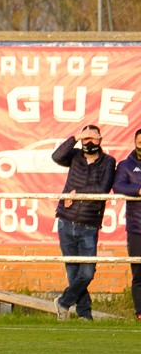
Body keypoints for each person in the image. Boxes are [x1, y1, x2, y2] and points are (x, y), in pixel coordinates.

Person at [52, 125, 116, 321]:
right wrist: (76, 136)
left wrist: (77, 193)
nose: (89, 142)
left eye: (92, 138)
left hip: (88, 224)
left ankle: (63, 302)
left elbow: (102, 190)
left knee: (87, 272)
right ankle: (85, 314)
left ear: (100, 140)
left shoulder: (108, 162)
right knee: (73, 272)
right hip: (65, 221)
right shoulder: (75, 156)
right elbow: (56, 156)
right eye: (85, 138)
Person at [112, 128, 141, 321]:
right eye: (140, 142)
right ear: (135, 142)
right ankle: (140, 312)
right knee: (138, 273)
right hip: (136, 228)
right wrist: (138, 189)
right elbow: (118, 186)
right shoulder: (125, 165)